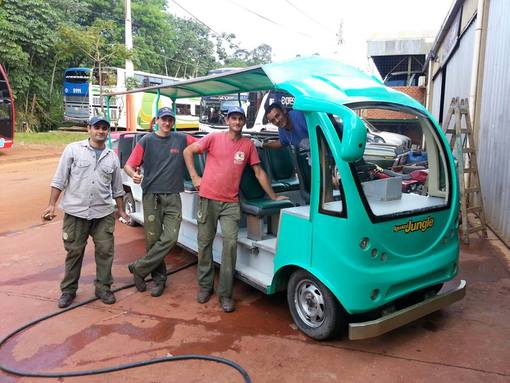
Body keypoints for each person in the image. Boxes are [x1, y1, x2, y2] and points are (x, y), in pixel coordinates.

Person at [183, 106, 287, 313]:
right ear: (227, 120)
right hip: (208, 199)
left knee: (230, 247)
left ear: (244, 122)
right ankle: (205, 287)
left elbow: (259, 173)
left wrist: (273, 196)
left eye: (240, 119)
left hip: (231, 203)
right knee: (204, 244)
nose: (237, 122)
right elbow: (188, 151)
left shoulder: (248, 145)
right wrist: (195, 177)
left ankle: (225, 294)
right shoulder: (213, 138)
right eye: (233, 118)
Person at [42, 116, 129, 308]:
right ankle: (68, 291)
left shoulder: (112, 157)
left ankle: (103, 288)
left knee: (106, 252)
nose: (100, 131)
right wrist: (51, 204)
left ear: (108, 132)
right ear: (89, 129)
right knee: (74, 252)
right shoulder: (73, 150)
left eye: (104, 128)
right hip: (76, 212)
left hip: (103, 213)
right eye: (97, 127)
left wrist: (121, 210)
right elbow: (59, 179)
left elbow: (117, 188)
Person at [124, 107, 197, 297]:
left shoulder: (181, 139)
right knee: (152, 240)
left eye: (170, 120)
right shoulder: (147, 140)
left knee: (171, 238)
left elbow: (203, 144)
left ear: (173, 122)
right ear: (156, 120)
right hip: (152, 197)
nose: (167, 123)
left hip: (173, 196)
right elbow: (129, 166)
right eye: (163, 119)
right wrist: (134, 176)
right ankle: (159, 279)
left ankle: (139, 268)